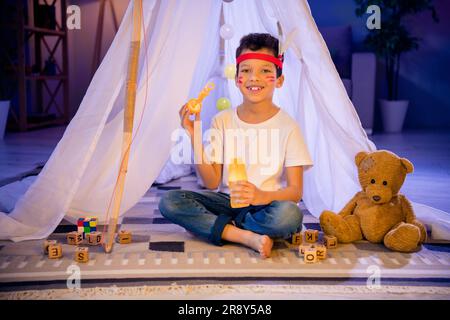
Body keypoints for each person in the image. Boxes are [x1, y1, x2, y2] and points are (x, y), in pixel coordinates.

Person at [159, 33, 313, 258]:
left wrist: (261, 196)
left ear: (279, 80)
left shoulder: (289, 127)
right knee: (170, 202)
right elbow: (211, 182)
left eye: (265, 71)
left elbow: (295, 192)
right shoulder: (222, 121)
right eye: (247, 70)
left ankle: (222, 228)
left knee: (290, 216)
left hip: (266, 204)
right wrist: (193, 134)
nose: (254, 78)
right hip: (226, 201)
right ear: (237, 78)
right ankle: (245, 236)